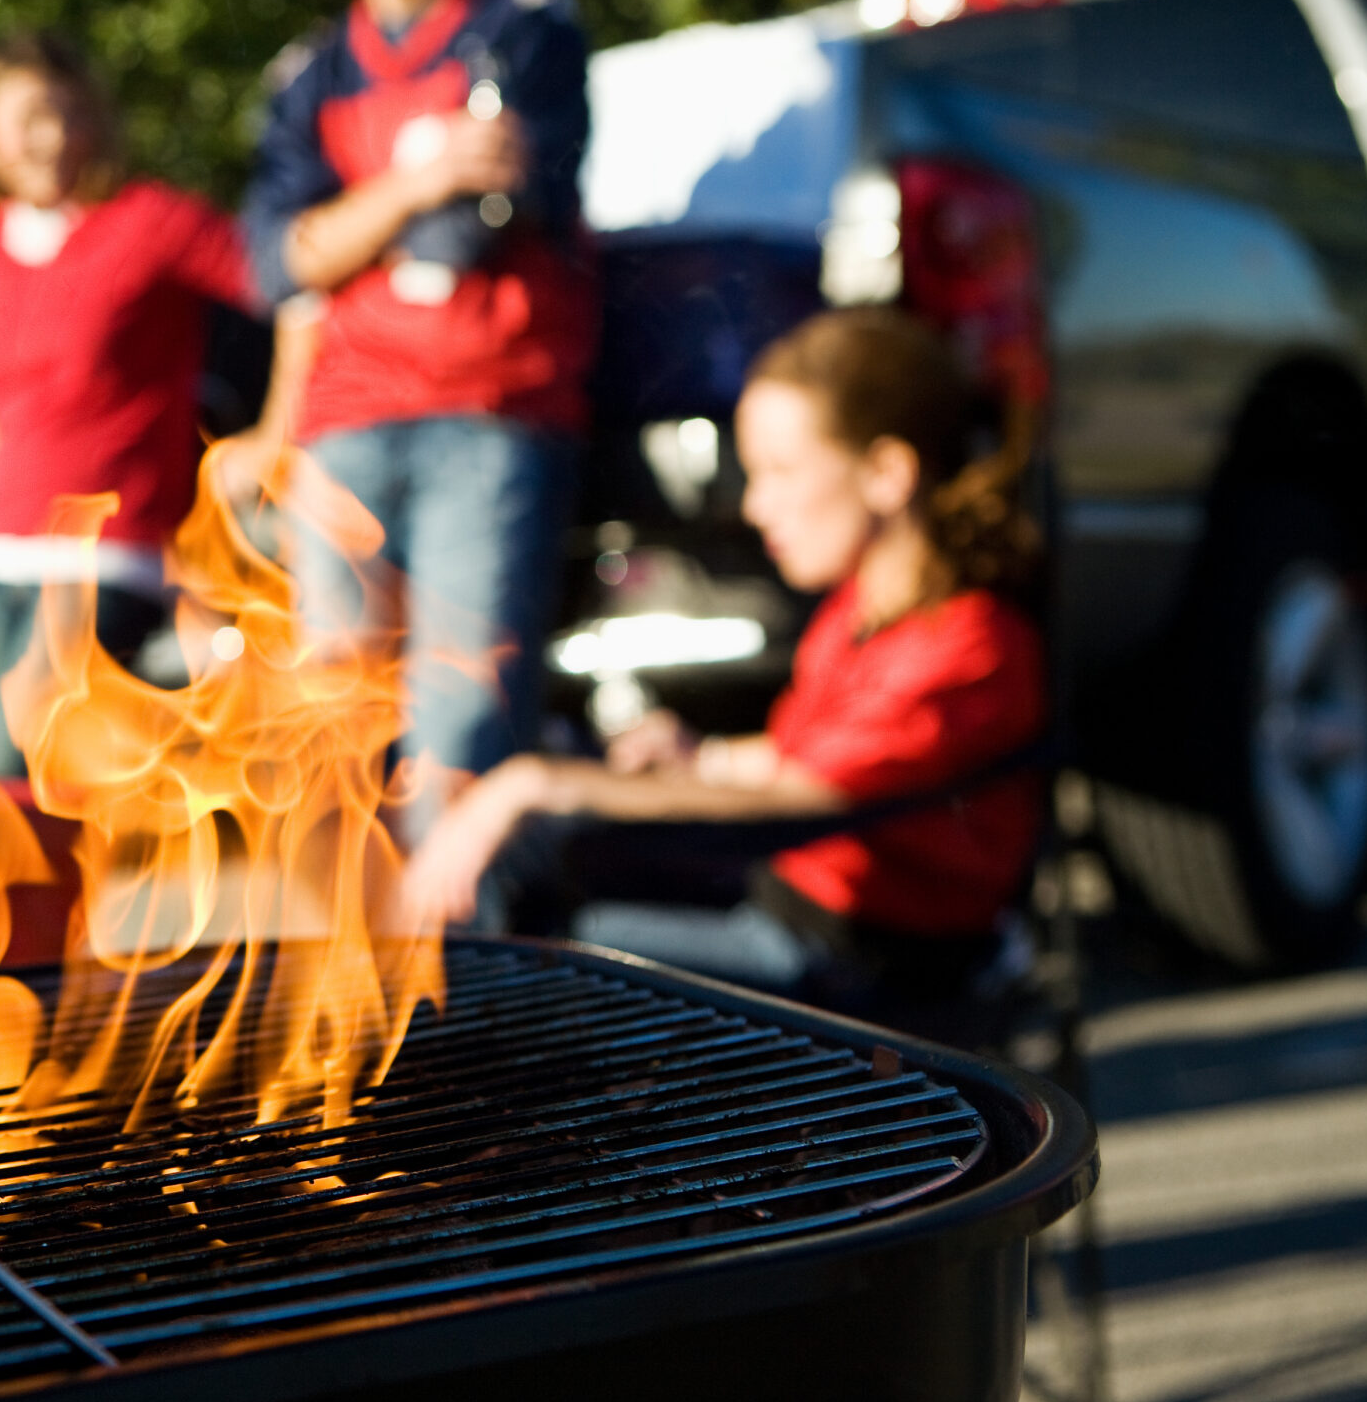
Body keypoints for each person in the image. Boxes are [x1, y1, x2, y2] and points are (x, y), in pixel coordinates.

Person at [402, 307, 1048, 1009]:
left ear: (887, 472)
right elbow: (801, 755)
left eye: (779, 471)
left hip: (862, 957)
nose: (754, 505)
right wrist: (698, 754)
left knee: (546, 957)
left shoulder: (968, 645)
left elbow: (797, 795)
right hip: (792, 903)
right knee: (530, 868)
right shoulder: (860, 609)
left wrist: (542, 782)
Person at [239, 0, 596, 833]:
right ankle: (352, 993)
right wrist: (412, 183)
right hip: (339, 430)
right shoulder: (308, 75)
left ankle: (472, 989)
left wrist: (345, 232)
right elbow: (273, 265)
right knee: (330, 747)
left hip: (491, 417)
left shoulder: (527, 24)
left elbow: (484, 217)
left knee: (456, 745)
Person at [0, 31, 255, 775]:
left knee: (16, 740)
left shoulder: (151, 221)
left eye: (67, 114)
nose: (50, 136)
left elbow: (285, 283)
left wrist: (273, 433)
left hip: (109, 544)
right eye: (29, 116)